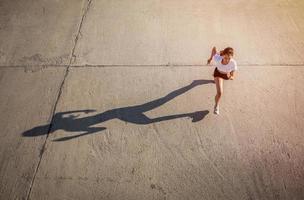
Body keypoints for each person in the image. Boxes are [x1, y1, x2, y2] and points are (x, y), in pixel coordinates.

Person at [207, 47, 237, 115]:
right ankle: (216, 106)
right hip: (218, 74)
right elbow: (214, 49)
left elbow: (233, 72)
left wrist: (232, 76)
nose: (227, 60)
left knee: (218, 84)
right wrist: (210, 58)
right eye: (225, 58)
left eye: (229, 58)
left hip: (225, 75)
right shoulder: (217, 58)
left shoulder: (233, 62)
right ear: (223, 56)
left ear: (232, 57)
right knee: (220, 92)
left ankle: (215, 80)